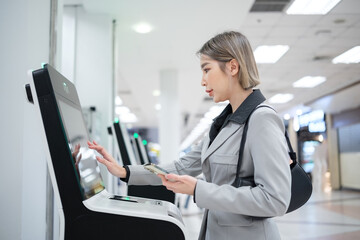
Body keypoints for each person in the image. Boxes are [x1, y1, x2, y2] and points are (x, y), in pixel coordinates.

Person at [88, 31, 291, 240]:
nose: (203, 81)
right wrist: (125, 172)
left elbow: (275, 199)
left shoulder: (262, 119)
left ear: (232, 66)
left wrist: (198, 189)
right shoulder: (223, 125)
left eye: (207, 70)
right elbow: (182, 166)